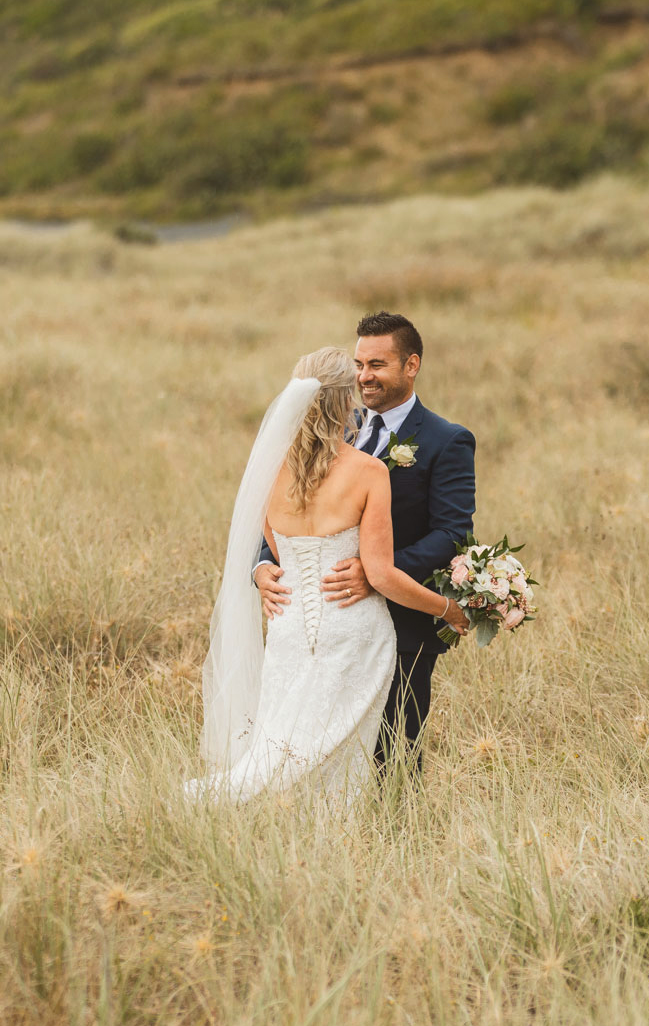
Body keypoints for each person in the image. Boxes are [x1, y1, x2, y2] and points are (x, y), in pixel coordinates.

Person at [193, 346, 469, 803]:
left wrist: (274, 571)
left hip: (288, 629)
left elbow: (283, 554)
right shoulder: (367, 471)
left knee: (282, 742)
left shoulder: (270, 471)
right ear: (346, 402)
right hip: (353, 629)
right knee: (338, 752)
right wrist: (447, 607)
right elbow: (379, 574)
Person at [253, 313, 475, 776]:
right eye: (358, 364)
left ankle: (392, 842)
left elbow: (452, 534)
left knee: (393, 758)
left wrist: (374, 571)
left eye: (377, 364)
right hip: (317, 619)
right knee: (305, 749)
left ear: (411, 365)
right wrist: (261, 567)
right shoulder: (324, 426)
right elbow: (279, 514)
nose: (363, 376)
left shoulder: (446, 440)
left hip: (403, 624)